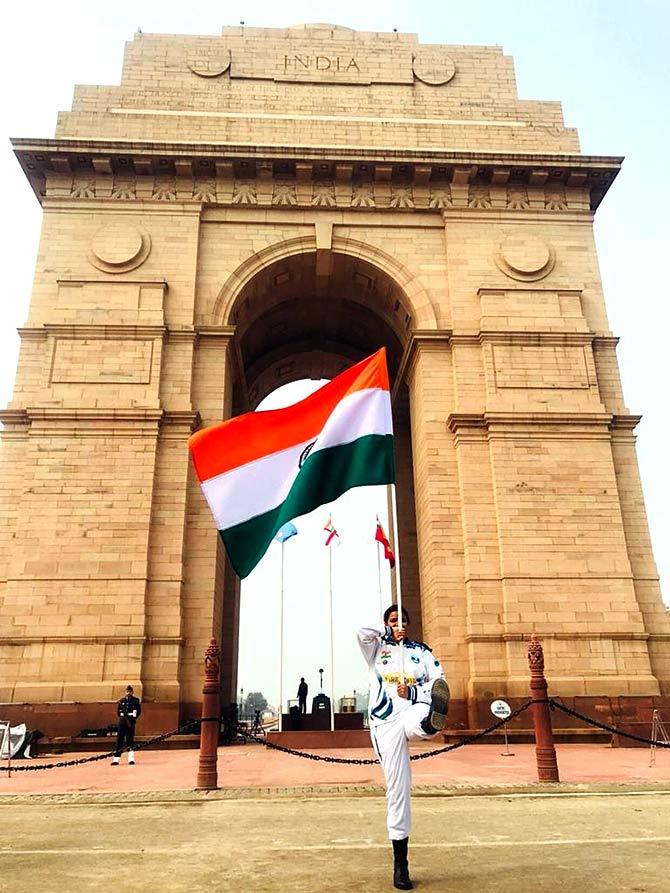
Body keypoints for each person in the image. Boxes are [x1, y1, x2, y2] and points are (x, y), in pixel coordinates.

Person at [358, 605, 450, 891]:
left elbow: (438, 680)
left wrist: (414, 692)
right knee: (397, 789)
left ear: (410, 624)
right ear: (386, 623)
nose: (399, 624)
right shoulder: (376, 650)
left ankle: (429, 724)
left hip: (412, 707)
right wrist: (387, 632)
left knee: (418, 722)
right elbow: (361, 633)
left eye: (402, 620)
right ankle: (401, 863)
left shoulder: (420, 651)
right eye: (393, 620)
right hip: (385, 719)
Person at [111, 684, 142, 766]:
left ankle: (131, 759)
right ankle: (116, 759)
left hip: (130, 722)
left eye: (130, 691)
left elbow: (138, 712)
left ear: (132, 692)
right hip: (122, 722)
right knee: (119, 740)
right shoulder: (122, 701)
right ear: (125, 692)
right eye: (127, 691)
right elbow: (118, 713)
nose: (128, 693)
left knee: (130, 740)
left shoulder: (135, 700)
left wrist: (132, 720)